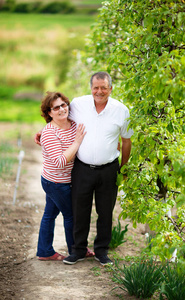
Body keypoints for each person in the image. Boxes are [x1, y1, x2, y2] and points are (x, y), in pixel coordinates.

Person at [35, 72, 132, 265]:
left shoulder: (121, 110)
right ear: (91, 88)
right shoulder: (78, 105)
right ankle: (77, 250)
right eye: (96, 87)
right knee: (79, 211)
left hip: (109, 169)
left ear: (111, 88)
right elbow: (56, 117)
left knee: (105, 212)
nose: (99, 91)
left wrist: (124, 167)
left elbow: (126, 141)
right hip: (82, 169)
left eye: (104, 87)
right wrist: (42, 132)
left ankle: (101, 252)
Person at [36, 91, 93, 261]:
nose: (61, 109)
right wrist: (76, 142)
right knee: (72, 215)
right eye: (56, 107)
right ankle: (76, 250)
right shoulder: (49, 133)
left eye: (63, 105)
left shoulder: (74, 124)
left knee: (50, 214)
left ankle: (45, 251)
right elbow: (60, 162)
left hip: (65, 180)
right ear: (49, 113)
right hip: (55, 182)